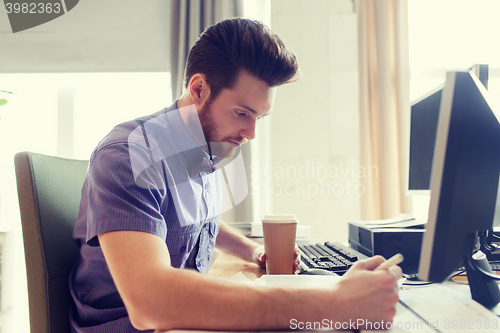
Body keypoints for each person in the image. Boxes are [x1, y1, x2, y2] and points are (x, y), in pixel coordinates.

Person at [69, 18, 402, 332]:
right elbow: (149, 302)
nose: (251, 132)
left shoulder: (202, 146)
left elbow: (192, 222)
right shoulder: (130, 155)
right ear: (198, 89)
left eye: (260, 117)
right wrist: (328, 303)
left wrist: (253, 252)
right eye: (243, 112)